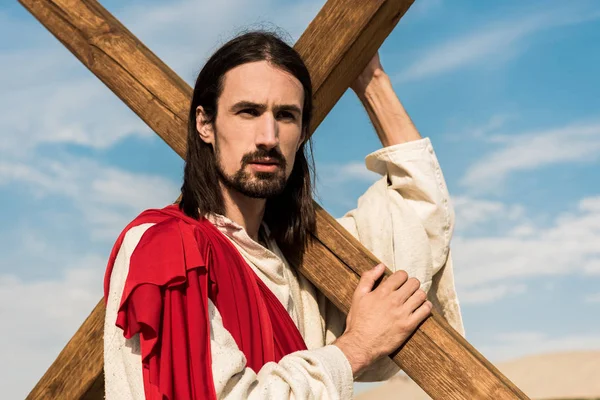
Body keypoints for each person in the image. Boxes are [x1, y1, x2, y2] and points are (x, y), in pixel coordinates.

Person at [103, 31, 464, 400]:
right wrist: (354, 349)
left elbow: (420, 217)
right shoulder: (166, 247)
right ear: (205, 124)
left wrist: (372, 82)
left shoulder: (302, 267)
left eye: (286, 116)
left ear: (303, 131)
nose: (269, 137)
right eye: (248, 111)